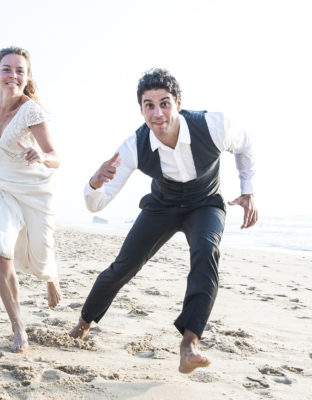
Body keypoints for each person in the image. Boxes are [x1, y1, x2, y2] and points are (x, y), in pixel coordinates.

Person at [69, 68, 257, 373]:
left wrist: (247, 190)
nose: (157, 113)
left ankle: (189, 345)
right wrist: (93, 183)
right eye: (149, 105)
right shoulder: (133, 147)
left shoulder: (213, 125)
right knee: (123, 267)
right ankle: (81, 326)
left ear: (178, 103)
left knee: (206, 252)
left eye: (164, 103)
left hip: (205, 203)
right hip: (163, 206)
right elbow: (97, 204)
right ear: (141, 109)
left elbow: (245, 144)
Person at [0, 46, 61, 353]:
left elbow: (56, 157)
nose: (13, 75)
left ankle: (51, 276)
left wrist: (41, 155)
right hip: (0, 188)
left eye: (20, 70)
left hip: (35, 189)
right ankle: (18, 328)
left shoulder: (30, 111)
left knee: (39, 260)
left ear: (26, 78)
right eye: (7, 69)